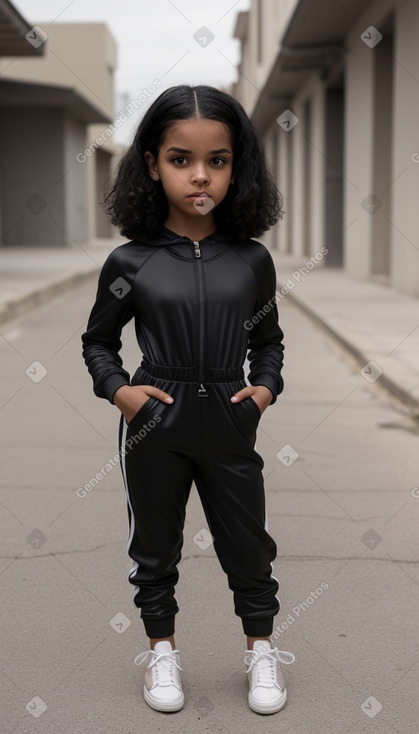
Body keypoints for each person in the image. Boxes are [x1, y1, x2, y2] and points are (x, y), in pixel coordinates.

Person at [81, 84, 295, 716]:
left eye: (218, 160)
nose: (200, 175)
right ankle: (162, 652)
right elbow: (98, 342)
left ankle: (260, 653)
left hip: (231, 421)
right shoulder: (129, 260)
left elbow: (269, 340)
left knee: (250, 545)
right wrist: (124, 395)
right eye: (181, 159)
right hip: (156, 422)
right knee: (154, 546)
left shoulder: (252, 260)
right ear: (152, 164)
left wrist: (263, 391)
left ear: (238, 166)